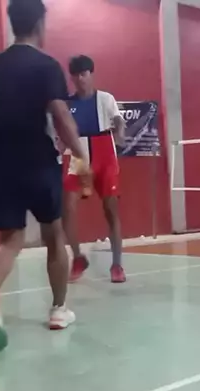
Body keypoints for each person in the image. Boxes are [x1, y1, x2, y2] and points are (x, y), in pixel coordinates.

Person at [0, 0, 90, 342]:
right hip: (40, 162)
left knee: (9, 242)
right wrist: (82, 157)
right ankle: (58, 310)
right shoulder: (47, 66)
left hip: (3, 164)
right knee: (53, 235)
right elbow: (61, 116)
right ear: (40, 23)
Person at [63, 55, 127, 283]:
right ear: (72, 78)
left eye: (84, 74)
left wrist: (120, 132)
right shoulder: (67, 104)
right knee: (66, 208)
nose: (80, 79)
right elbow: (61, 130)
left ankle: (117, 264)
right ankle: (78, 258)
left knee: (111, 209)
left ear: (91, 74)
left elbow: (118, 120)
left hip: (104, 153)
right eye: (76, 75)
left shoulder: (106, 99)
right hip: (79, 155)